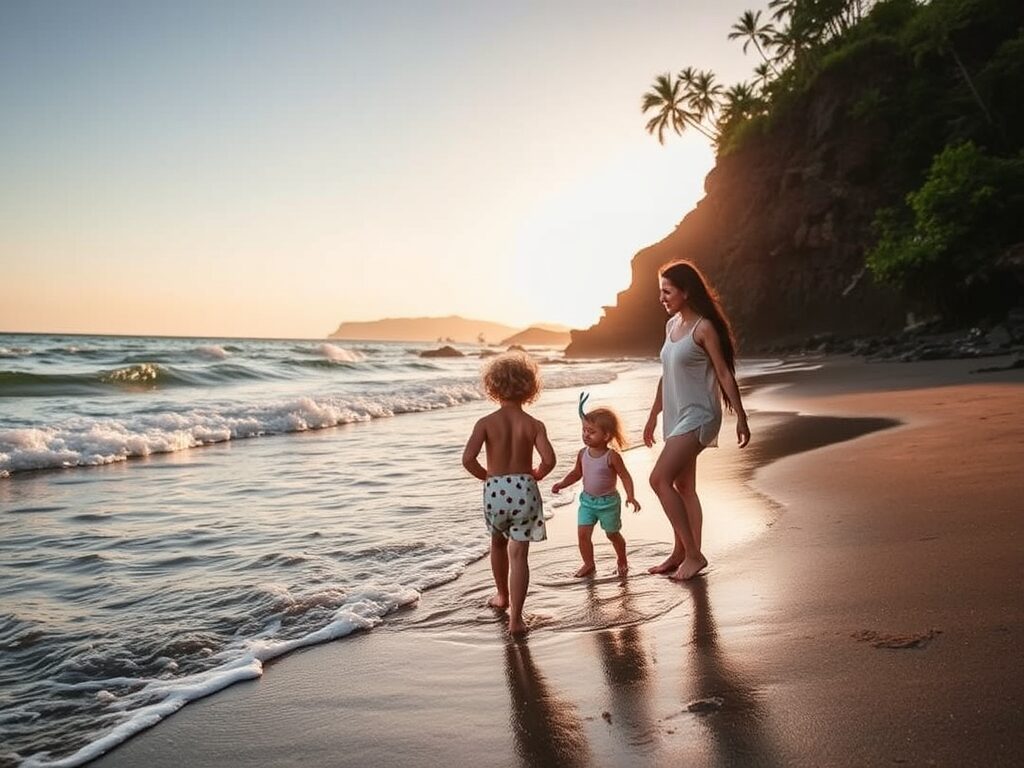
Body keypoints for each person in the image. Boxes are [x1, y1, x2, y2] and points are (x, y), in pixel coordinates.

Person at [643, 259, 750, 581]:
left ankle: (693, 554)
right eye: (660, 291)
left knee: (658, 480)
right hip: (676, 415)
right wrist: (652, 414)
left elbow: (723, 372)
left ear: (686, 292)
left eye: (667, 291)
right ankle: (680, 553)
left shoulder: (703, 327)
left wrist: (741, 417)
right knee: (683, 485)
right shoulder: (671, 325)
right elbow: (666, 375)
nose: (662, 297)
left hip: (700, 414)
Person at [462, 351, 556, 635]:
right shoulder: (534, 425)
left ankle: (501, 596)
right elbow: (549, 460)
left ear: (492, 387)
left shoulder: (485, 423)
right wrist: (536, 474)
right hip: (525, 489)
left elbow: (468, 459)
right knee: (520, 556)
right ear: (530, 389)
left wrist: (487, 478)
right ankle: (517, 619)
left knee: (497, 544)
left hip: (496, 490)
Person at [551, 397, 640, 578]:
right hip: (587, 502)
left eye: (591, 432)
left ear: (606, 436)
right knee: (583, 535)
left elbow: (625, 475)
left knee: (612, 534)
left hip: (608, 503)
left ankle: (622, 559)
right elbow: (577, 473)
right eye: (584, 430)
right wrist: (562, 484)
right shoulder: (582, 453)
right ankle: (588, 563)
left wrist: (631, 495)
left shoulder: (611, 456)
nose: (585, 435)